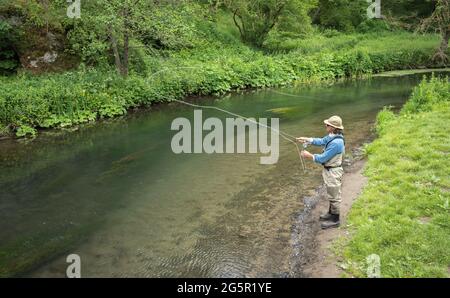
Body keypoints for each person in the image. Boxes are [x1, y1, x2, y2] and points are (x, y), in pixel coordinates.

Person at [297, 116, 345, 229]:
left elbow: (323, 158)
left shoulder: (337, 142)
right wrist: (307, 139)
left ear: (333, 128)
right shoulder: (333, 136)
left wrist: (309, 156)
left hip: (333, 171)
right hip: (330, 170)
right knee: (331, 192)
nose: (326, 126)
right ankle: (330, 213)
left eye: (328, 125)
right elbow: (321, 141)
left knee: (334, 195)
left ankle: (335, 219)